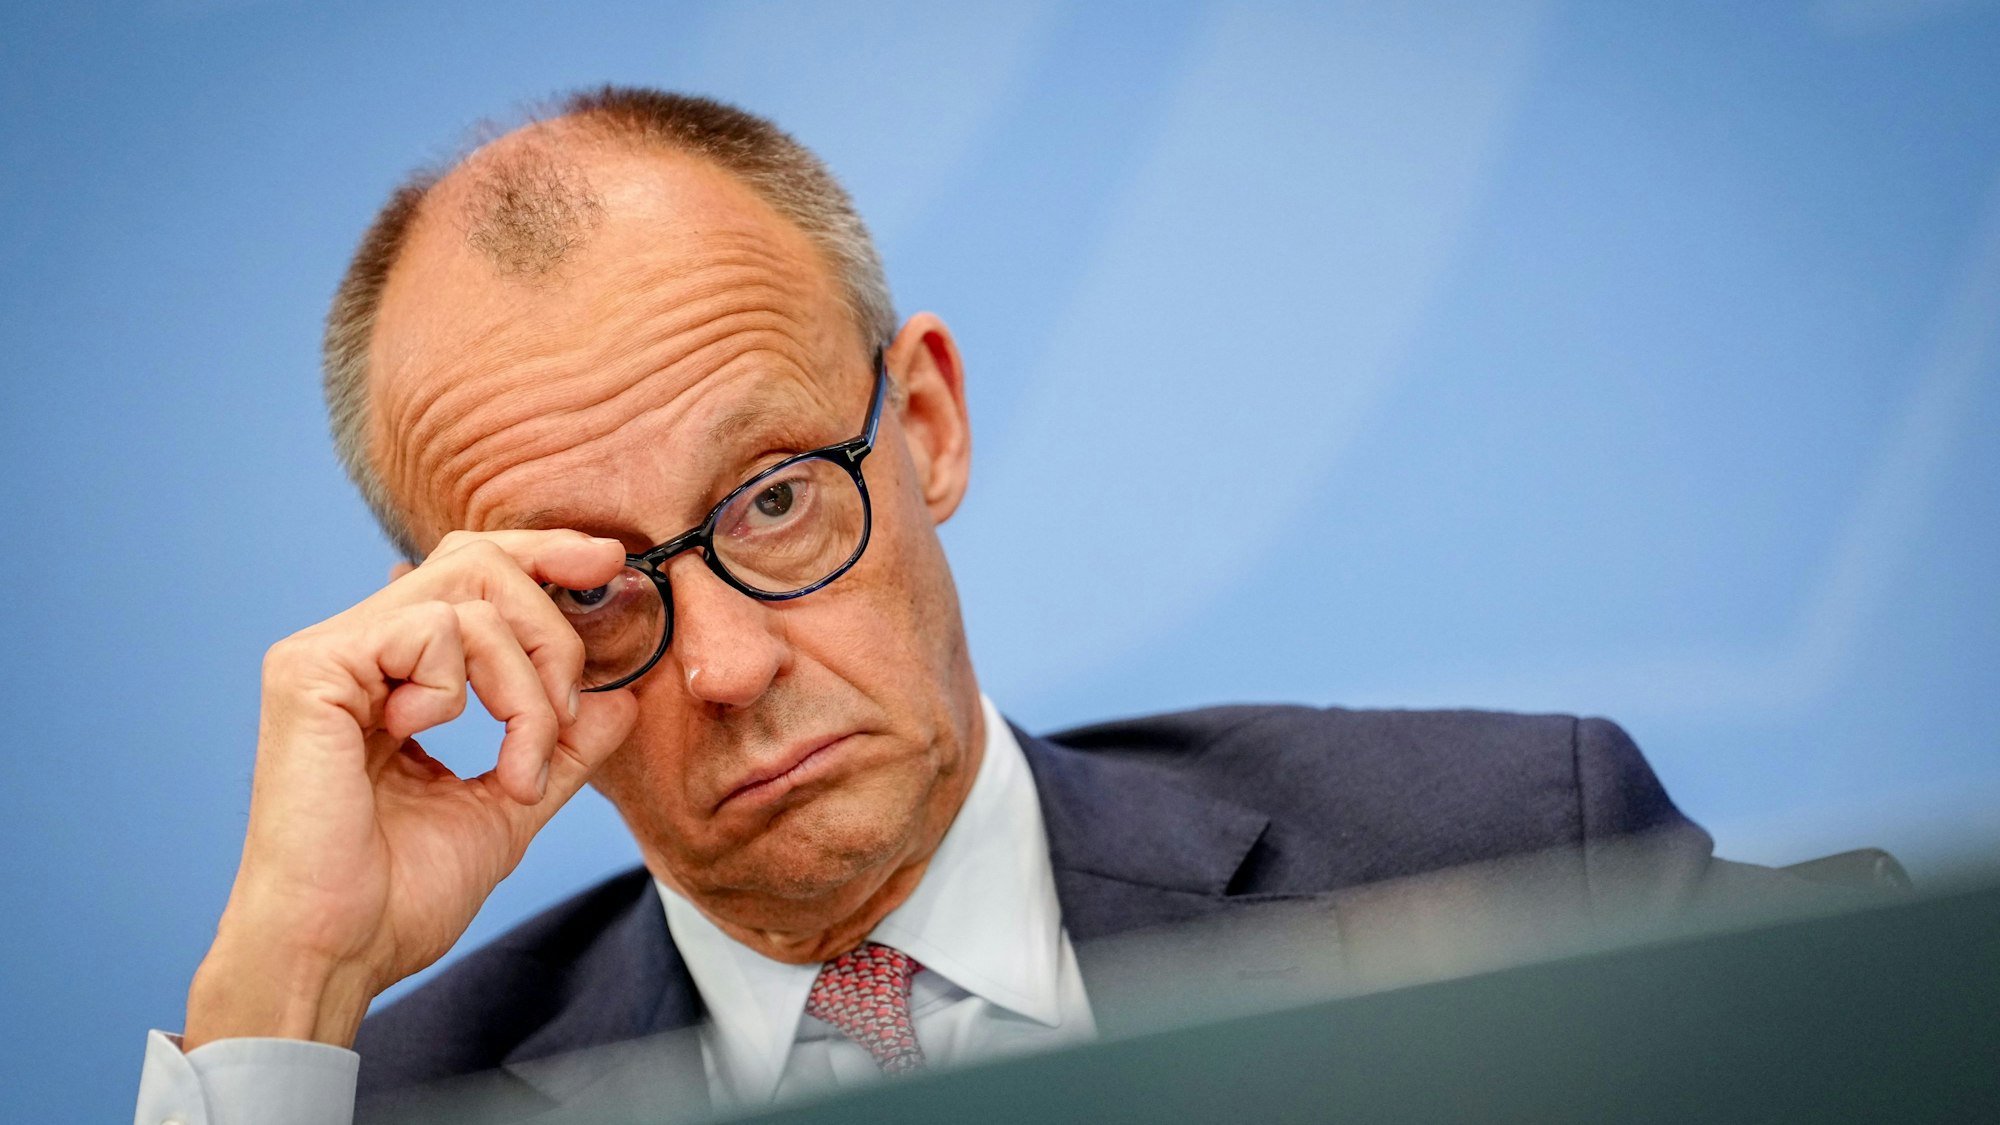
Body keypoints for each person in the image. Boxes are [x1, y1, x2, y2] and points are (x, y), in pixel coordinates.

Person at [132, 86, 1854, 1125]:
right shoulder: (390, 1105)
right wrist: (287, 985)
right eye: (592, 597)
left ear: (928, 423)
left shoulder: (1492, 858)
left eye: (777, 498)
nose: (724, 667)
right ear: (472, 637)